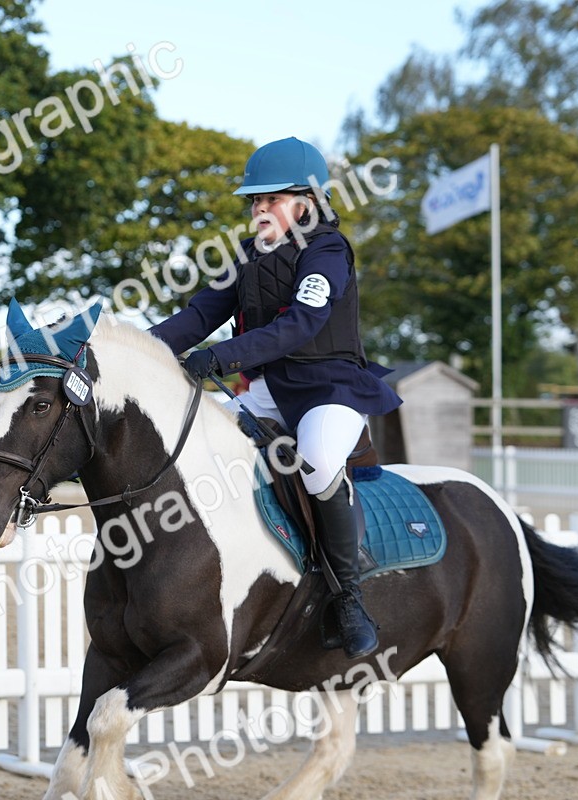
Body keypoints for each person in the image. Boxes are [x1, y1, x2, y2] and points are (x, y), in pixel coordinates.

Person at [150, 136, 402, 660]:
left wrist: (221, 357)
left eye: (271, 199)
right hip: (266, 394)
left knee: (316, 461)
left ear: (305, 203)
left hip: (329, 391)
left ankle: (347, 599)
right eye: (255, 201)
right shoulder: (246, 257)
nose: (259, 208)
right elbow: (198, 317)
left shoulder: (327, 251)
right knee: (194, 447)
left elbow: (302, 325)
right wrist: (137, 349)